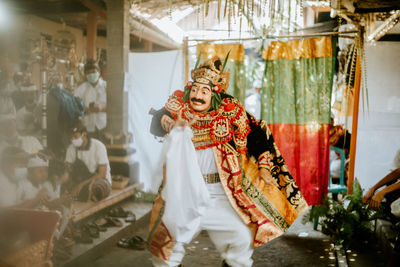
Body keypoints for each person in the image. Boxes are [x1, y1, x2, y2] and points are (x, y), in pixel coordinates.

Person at [148, 56, 308, 267]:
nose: (197, 96)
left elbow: (257, 134)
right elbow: (156, 121)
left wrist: (264, 168)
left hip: (220, 195)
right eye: (194, 90)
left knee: (241, 240)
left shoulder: (230, 111)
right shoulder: (180, 108)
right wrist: (171, 124)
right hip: (185, 194)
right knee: (165, 248)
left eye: (204, 92)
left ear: (214, 93)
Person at [65, 123, 111, 202]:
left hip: (98, 180)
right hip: (80, 180)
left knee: (98, 188)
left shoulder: (98, 146)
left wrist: (82, 185)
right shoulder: (71, 148)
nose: (73, 139)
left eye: (75, 137)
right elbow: (67, 169)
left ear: (84, 134)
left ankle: (88, 194)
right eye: (71, 137)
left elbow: (102, 174)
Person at [74, 60, 107, 139]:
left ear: (99, 72)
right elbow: (74, 109)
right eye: (88, 73)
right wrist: (85, 110)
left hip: (104, 127)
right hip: (87, 128)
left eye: (93, 71)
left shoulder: (106, 86)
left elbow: (116, 107)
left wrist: (101, 109)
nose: (91, 74)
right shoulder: (81, 89)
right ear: (85, 74)